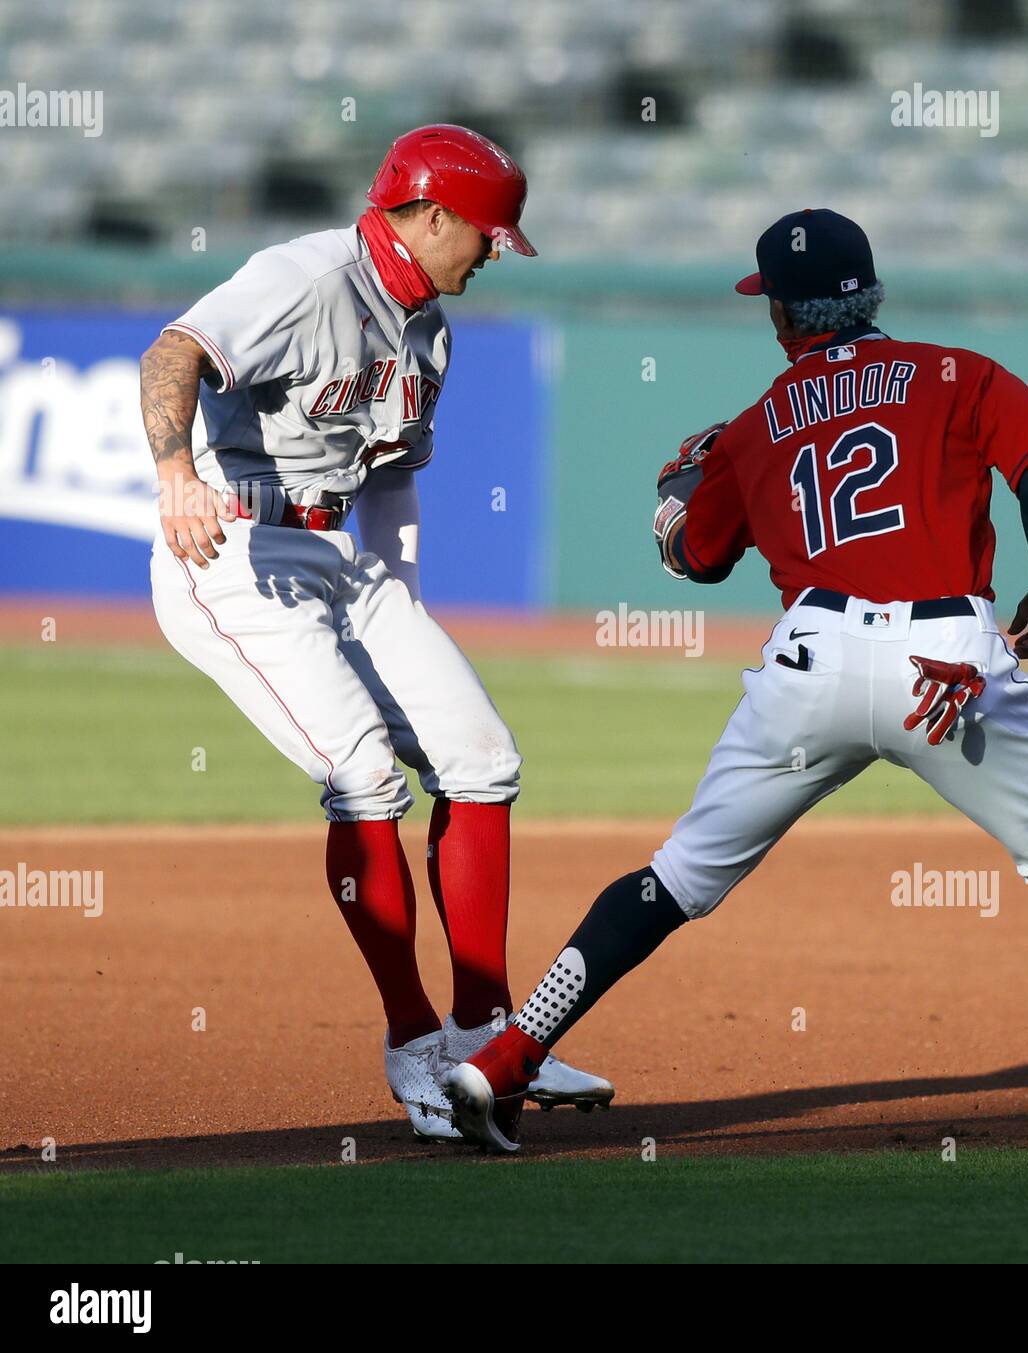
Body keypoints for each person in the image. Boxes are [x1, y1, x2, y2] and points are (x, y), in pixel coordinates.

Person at [442, 208, 1028, 1154]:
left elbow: (696, 559)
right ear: (869, 292)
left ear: (783, 318)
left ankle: (504, 1060)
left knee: (675, 877)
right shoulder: (959, 372)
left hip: (809, 663)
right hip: (944, 663)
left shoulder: (756, 428)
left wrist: (680, 497)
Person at [139, 125, 612, 1142]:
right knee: (364, 780)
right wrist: (175, 474)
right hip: (233, 547)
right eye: (486, 235)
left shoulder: (429, 323)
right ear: (430, 214)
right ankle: (414, 1048)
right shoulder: (304, 276)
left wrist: (397, 602)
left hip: (341, 558)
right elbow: (173, 351)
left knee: (483, 757)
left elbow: (391, 470)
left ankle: (488, 1034)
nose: (492, 253)